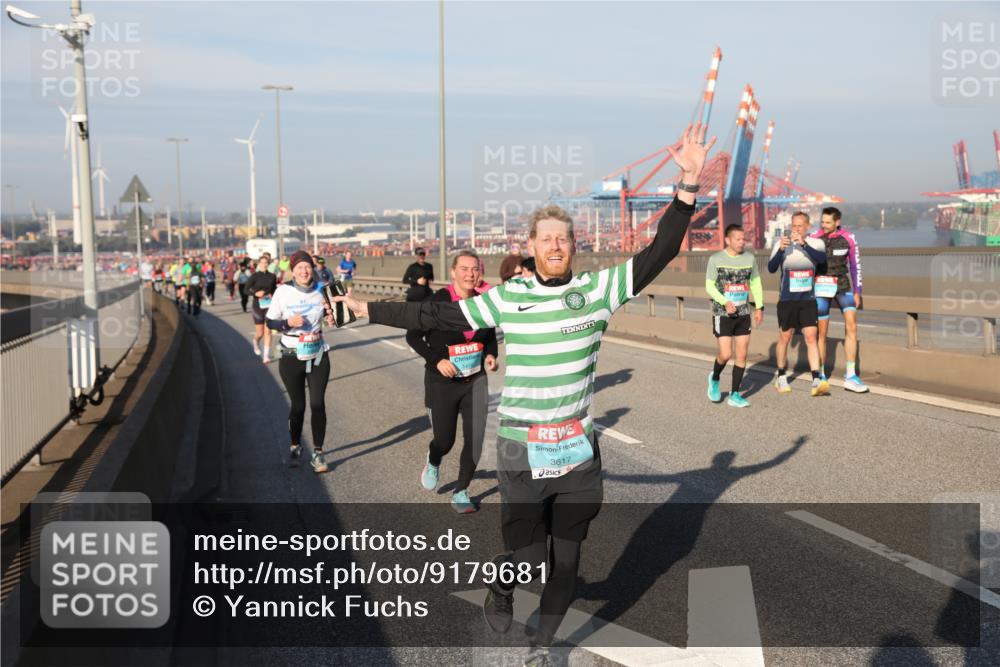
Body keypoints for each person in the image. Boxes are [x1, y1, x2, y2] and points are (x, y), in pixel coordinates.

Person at [332, 122, 711, 666]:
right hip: (521, 449)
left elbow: (661, 251)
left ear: (573, 247)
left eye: (564, 238)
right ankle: (502, 581)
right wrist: (367, 308)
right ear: (529, 248)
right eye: (546, 239)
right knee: (530, 559)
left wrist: (689, 184)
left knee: (568, 564)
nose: (556, 245)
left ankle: (544, 647)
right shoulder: (508, 297)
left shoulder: (598, 290)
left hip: (578, 449)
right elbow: (434, 312)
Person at [406, 250, 499, 513]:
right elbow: (413, 337)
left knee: (476, 438)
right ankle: (434, 460)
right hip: (442, 382)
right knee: (444, 441)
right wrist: (437, 360)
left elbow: (488, 336)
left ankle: (461, 491)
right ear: (453, 272)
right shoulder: (438, 302)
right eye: (465, 269)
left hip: (475, 381)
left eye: (475, 269)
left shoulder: (483, 302)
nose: (471, 274)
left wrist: (491, 354)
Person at [265, 250, 335, 473]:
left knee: (317, 403)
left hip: (317, 352)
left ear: (312, 268)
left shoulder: (322, 289)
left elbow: (331, 313)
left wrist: (331, 316)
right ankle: (295, 444)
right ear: (292, 271)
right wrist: (287, 323)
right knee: (298, 406)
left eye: (307, 267)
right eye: (299, 268)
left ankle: (318, 453)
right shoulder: (283, 292)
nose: (304, 271)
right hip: (291, 354)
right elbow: (270, 322)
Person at [767, 211, 829, 396]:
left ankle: (817, 379)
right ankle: (781, 376)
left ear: (807, 227)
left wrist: (803, 244)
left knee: (811, 337)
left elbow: (821, 261)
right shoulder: (781, 244)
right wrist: (779, 250)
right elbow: (771, 268)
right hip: (787, 300)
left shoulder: (816, 243)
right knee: (785, 337)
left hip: (808, 299)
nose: (796, 229)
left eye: (800, 226)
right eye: (793, 225)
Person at [705, 225, 764, 407]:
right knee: (725, 353)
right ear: (728, 240)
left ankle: (735, 394)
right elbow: (709, 286)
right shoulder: (716, 259)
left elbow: (755, 283)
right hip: (722, 313)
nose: (741, 242)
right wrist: (724, 301)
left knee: (742, 354)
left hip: (743, 313)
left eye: (743, 238)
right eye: (738, 239)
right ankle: (714, 378)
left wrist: (759, 307)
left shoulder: (749, 258)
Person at [811, 207, 869, 393]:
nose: (824, 225)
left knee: (852, 325)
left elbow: (855, 265)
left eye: (828, 222)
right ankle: (820, 374)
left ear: (837, 222)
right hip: (821, 287)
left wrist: (857, 290)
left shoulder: (849, 238)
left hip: (843, 286)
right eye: (822, 221)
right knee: (822, 331)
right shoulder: (814, 237)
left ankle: (851, 375)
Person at [245, 254, 278, 362]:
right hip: (257, 307)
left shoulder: (272, 276)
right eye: (262, 263)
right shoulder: (254, 276)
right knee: (260, 333)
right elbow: (245, 290)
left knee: (268, 331)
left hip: (269, 306)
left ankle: (266, 356)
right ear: (259, 264)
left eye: (266, 263)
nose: (264, 265)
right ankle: (255, 341)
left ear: (268, 264)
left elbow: (274, 290)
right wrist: (255, 293)